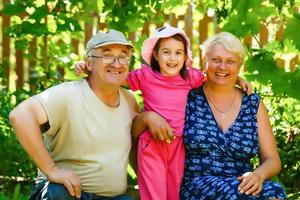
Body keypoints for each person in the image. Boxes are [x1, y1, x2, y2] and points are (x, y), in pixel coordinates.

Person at [75, 25, 251, 200]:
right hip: (152, 143)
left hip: (178, 146)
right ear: (156, 55)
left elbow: (216, 76)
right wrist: (88, 66)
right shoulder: (145, 75)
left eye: (178, 53)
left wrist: (238, 79)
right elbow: (117, 76)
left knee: (174, 193)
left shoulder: (190, 77)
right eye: (166, 52)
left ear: (185, 56)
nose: (172, 58)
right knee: (154, 194)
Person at [9, 30, 140, 200]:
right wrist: (51, 170)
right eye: (107, 56)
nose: (117, 63)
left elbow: (135, 150)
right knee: (59, 193)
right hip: (66, 194)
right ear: (89, 64)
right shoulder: (69, 94)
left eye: (123, 56)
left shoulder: (129, 100)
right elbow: (20, 116)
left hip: (112, 197)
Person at [179, 32, 287, 199]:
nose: (222, 67)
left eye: (230, 61)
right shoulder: (188, 97)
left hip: (241, 185)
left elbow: (272, 160)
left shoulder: (252, 105)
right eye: (216, 60)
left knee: (274, 192)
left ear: (239, 66)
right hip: (197, 186)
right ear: (204, 61)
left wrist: (257, 175)